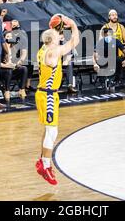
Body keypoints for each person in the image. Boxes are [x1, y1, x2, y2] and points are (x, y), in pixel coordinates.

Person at [35, 14, 80, 185]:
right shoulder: (53, 51)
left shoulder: (43, 49)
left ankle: (42, 160)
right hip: (47, 95)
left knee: (48, 130)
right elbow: (74, 41)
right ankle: (45, 166)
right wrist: (73, 24)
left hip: (44, 93)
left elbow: (55, 34)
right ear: (51, 39)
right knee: (52, 132)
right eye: (57, 36)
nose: (60, 37)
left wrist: (58, 27)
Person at [0, 31, 28, 101]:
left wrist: (17, 64)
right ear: (4, 38)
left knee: (24, 68)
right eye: (8, 37)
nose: (10, 38)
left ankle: (22, 89)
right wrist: (7, 65)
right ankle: (7, 91)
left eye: (11, 37)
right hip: (2, 70)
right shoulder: (0, 48)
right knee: (8, 70)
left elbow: (16, 60)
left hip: (11, 68)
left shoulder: (14, 47)